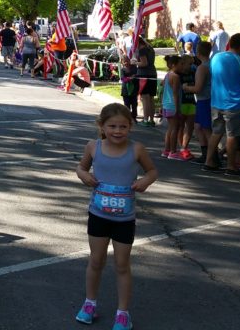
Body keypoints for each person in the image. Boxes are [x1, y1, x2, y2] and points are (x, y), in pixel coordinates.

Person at [75, 103, 158, 330]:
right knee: (96, 260)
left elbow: (152, 171)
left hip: (124, 219)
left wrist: (144, 181)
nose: (117, 131)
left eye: (123, 126)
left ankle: (123, 313)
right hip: (98, 215)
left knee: (122, 265)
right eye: (112, 126)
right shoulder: (93, 147)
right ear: (101, 126)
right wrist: (84, 176)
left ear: (130, 127)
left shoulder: (137, 149)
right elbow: (81, 168)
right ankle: (89, 303)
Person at [202, 33, 240, 175]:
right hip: (233, 104)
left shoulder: (216, 57)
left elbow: (212, 73)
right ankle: (230, 165)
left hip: (216, 101)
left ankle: (208, 161)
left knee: (216, 132)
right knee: (232, 135)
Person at [183, 41, 213, 164]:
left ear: (198, 52)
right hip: (206, 99)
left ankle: (211, 155)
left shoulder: (202, 67)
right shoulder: (211, 64)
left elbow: (198, 88)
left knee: (206, 128)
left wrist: (186, 87)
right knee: (198, 126)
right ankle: (206, 152)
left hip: (204, 100)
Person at [161, 55, 182, 159]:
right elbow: (175, 94)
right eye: (180, 64)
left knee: (170, 128)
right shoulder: (175, 76)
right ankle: (173, 151)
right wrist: (177, 108)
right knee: (175, 128)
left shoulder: (167, 75)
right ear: (174, 65)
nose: (182, 66)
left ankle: (166, 150)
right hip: (172, 105)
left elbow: (162, 86)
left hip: (166, 104)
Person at [133, 37, 157, 127]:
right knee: (151, 98)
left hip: (144, 75)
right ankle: (151, 120)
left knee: (145, 98)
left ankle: (146, 119)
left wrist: (134, 63)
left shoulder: (142, 50)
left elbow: (144, 63)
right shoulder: (150, 48)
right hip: (153, 74)